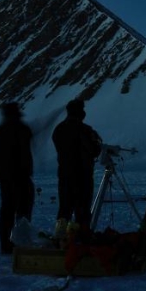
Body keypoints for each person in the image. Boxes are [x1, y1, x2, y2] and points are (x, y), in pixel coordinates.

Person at [0, 102, 34, 255]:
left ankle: (6, 244)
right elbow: (25, 153)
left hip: (5, 179)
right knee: (23, 211)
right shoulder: (22, 130)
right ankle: (21, 241)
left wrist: (1, 173)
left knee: (7, 211)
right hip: (21, 178)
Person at [52, 99, 102, 240]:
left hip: (64, 175)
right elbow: (94, 150)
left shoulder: (59, 129)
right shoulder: (85, 130)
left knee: (64, 209)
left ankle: (60, 238)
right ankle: (81, 239)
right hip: (83, 177)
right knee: (82, 211)